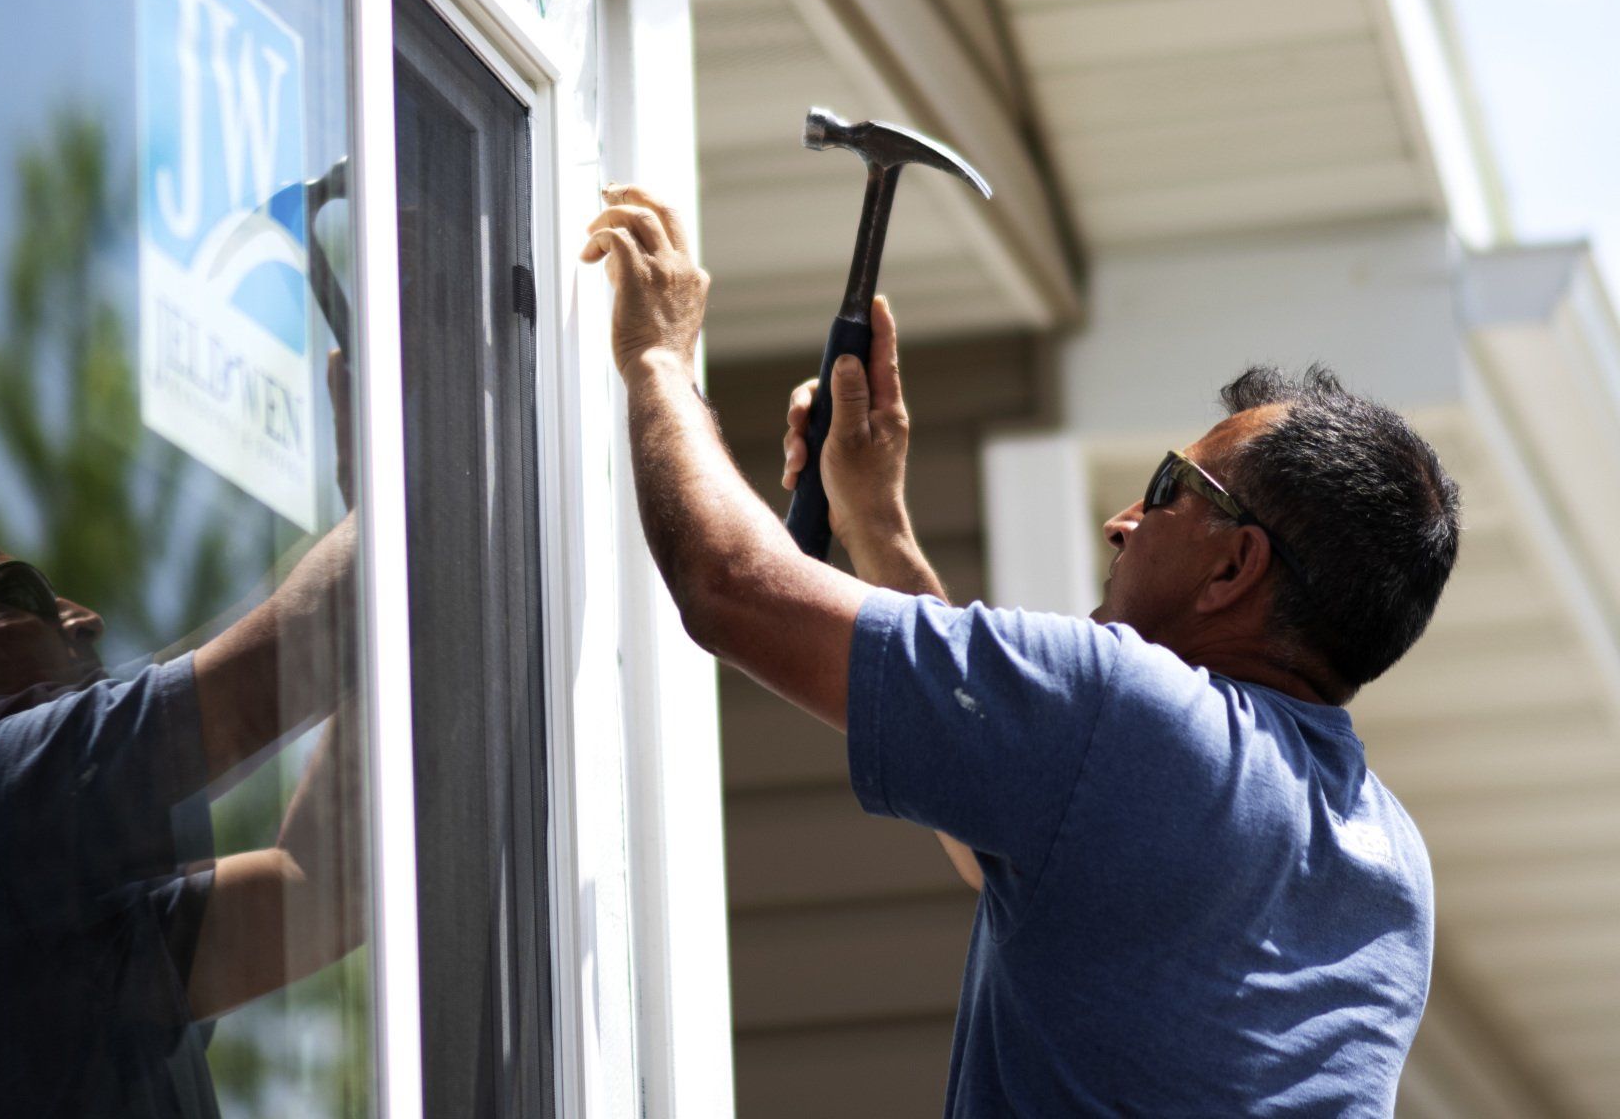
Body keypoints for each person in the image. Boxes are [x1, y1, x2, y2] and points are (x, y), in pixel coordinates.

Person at [583, 185, 1458, 1117]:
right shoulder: (1391, 866)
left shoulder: (1137, 720)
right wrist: (876, 523)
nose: (1124, 521)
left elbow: (729, 585)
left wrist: (659, 356)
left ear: (1234, 567)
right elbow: (1007, 833)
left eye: (1171, 487)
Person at [0, 377, 364, 1117]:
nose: (85, 617)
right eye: (20, 594)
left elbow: (321, 891)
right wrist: (403, 454)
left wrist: (377, 545)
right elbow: (292, 659)